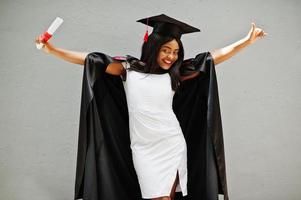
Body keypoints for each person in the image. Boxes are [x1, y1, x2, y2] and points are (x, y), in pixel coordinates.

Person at [35, 14, 267, 200]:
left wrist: (246, 41)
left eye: (175, 52)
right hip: (143, 149)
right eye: (166, 50)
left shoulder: (176, 74)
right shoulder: (128, 69)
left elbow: (212, 58)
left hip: (171, 143)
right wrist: (51, 50)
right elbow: (90, 59)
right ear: (153, 46)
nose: (171, 57)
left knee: (164, 197)